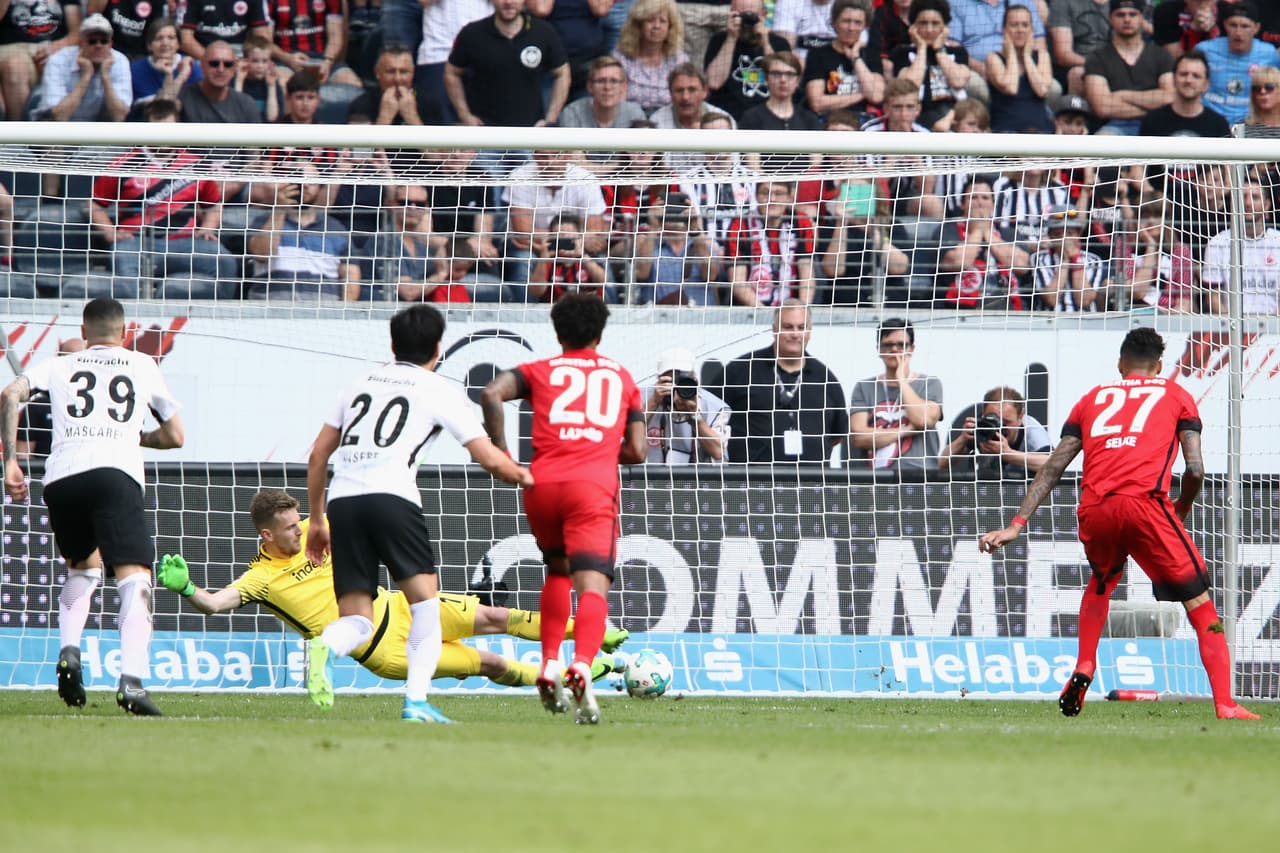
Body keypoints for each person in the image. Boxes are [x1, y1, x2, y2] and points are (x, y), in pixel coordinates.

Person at [979, 327, 1260, 721]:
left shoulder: (1091, 400)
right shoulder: (1177, 395)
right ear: (1159, 366)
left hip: (1095, 507)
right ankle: (1225, 704)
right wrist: (1181, 505)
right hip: (1146, 506)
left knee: (1101, 580)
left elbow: (1055, 466)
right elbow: (1195, 468)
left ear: (1120, 364)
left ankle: (1084, 665)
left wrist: (1016, 524)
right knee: (1200, 603)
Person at [156, 490, 628, 708]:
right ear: (267, 534)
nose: (300, 530)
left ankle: (593, 636)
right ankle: (568, 682)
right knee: (490, 665)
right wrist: (187, 590)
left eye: (300, 520)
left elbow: (364, 520)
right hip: (384, 650)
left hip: (399, 606)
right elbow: (216, 604)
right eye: (289, 528)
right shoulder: (261, 578)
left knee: (496, 615)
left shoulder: (322, 534)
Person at [305, 304, 533, 724]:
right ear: (439, 349)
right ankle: (416, 702)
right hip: (393, 497)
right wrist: (532, 477)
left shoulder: (358, 383)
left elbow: (318, 454)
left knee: (356, 617)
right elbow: (489, 460)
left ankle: (325, 645)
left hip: (343, 501)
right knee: (426, 607)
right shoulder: (438, 389)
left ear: (392, 344)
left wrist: (318, 520)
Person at [1, 297, 185, 716]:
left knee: (83, 567)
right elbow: (176, 436)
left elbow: (11, 393)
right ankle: (133, 683)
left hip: (61, 477)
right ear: (124, 333)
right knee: (134, 576)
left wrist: (10, 461)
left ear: (83, 334)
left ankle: (69, 650)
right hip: (114, 473)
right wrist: (137, 439)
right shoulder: (142, 364)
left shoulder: (60, 363)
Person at [480, 293, 648, 725]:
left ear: (558, 333)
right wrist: (600, 444)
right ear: (599, 333)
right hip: (591, 487)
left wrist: (501, 455)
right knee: (592, 586)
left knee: (557, 570)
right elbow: (638, 450)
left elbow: (491, 393)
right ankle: (582, 665)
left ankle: (550, 662)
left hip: (541, 484)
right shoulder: (623, 378)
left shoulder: (540, 371)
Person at [91, 98, 237, 300]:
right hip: (137, 242)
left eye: (169, 129)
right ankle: (134, 322)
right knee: (122, 255)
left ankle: (222, 318)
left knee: (224, 261)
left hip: (187, 243)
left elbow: (213, 204)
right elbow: (94, 204)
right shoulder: (123, 164)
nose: (163, 135)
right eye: (157, 129)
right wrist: (110, 234)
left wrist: (208, 228)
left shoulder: (197, 164)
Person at [719, 301, 848, 464]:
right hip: (751, 482)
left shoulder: (825, 378)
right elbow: (711, 417)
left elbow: (837, 434)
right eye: (788, 327)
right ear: (774, 329)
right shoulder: (740, 370)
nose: (795, 334)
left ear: (809, 331)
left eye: (801, 328)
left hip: (810, 484)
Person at [247, 163, 363, 302]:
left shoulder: (335, 228)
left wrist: (343, 314)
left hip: (324, 315)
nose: (305, 185)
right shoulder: (265, 220)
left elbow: (351, 275)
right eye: (299, 178)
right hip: (270, 311)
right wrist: (279, 209)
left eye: (311, 182)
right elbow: (261, 254)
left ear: (320, 188)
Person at [445, 0, 571, 127]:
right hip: (484, 134)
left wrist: (550, 119)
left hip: (530, 133)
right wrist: (464, 115)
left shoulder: (543, 32)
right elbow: (452, 72)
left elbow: (562, 72)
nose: (508, 2)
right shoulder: (472, 33)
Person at [848, 317, 943, 472]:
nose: (894, 350)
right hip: (875, 479)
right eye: (888, 345)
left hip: (920, 476)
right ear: (879, 349)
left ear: (912, 348)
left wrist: (900, 379)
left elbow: (923, 420)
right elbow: (859, 437)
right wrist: (907, 430)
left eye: (901, 345)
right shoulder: (864, 387)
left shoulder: (930, 383)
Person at [1083, 0, 1175, 136]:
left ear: (1141, 18)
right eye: (1120, 15)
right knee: (1102, 140)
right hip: (1115, 126)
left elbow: (1169, 97)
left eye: (1133, 14)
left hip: (1158, 124)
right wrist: (1151, 107)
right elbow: (1102, 107)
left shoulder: (1161, 55)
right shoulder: (1097, 57)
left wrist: (1122, 95)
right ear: (1110, 19)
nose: (1127, 19)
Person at [724, 181, 817, 306]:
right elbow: (738, 282)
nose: (771, 199)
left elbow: (807, 275)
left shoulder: (801, 222)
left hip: (792, 308)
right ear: (756, 196)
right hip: (752, 311)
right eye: (765, 193)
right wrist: (765, 314)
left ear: (790, 197)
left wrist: (800, 311)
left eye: (779, 193)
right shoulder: (739, 225)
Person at [1201, 175, 1280, 315]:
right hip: (1231, 329)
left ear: (1267, 205)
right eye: (1243, 197)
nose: (1248, 203)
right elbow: (1213, 299)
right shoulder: (1217, 243)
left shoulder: (1277, 241)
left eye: (1255, 197)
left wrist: (1271, 327)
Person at [703, 0, 791, 121]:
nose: (747, 21)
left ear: (764, 15)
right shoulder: (719, 41)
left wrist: (765, 42)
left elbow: (782, 81)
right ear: (731, 15)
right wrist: (731, 38)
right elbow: (713, 83)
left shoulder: (779, 44)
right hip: (728, 118)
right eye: (742, 15)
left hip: (769, 119)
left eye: (752, 15)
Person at [937, 386, 1051, 479]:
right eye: (994, 419)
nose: (1000, 426)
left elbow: (1054, 465)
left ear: (1020, 417)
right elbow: (942, 463)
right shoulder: (982, 425)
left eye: (1006, 421)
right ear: (983, 414)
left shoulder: (1032, 432)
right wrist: (962, 439)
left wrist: (1008, 454)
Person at [35, 13, 132, 122]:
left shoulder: (120, 61)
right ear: (81, 44)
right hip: (54, 129)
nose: (98, 46)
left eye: (104, 41)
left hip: (98, 131)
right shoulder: (58, 60)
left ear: (110, 44)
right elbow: (59, 117)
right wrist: (86, 76)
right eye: (92, 41)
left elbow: (119, 116)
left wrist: (105, 77)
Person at [643, 346, 731, 463]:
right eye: (670, 380)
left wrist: (695, 415)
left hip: (697, 479)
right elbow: (622, 438)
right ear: (659, 378)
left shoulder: (713, 406)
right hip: (649, 478)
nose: (675, 386)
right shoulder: (641, 397)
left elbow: (718, 452)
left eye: (681, 380)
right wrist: (653, 402)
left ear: (693, 378)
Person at [891, 0, 969, 131]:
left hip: (954, 114)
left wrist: (939, 51)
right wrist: (921, 49)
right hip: (920, 115)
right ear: (913, 26)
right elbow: (909, 87)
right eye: (923, 23)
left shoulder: (957, 52)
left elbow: (958, 81)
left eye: (935, 23)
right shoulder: (902, 53)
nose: (929, 29)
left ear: (944, 26)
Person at [802, 0, 886, 121]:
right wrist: (863, 95)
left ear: (865, 26)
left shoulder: (871, 54)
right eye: (846, 21)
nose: (851, 28)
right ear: (834, 23)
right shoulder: (818, 55)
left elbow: (877, 96)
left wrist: (856, 59)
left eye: (858, 23)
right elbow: (817, 103)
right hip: (829, 119)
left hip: (864, 120)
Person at [1198, 1, 1280, 126]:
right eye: (1233, 25)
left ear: (1256, 28)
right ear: (1225, 25)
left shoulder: (1269, 53)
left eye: (1245, 26)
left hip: (1252, 125)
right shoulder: (1204, 50)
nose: (1238, 32)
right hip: (1210, 123)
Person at [0, 0, 81, 122]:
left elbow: (77, 33)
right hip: (12, 48)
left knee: (62, 64)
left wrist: (56, 47)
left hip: (54, 47)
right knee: (15, 66)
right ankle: (19, 134)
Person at [632, 189, 716, 306]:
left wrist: (694, 227)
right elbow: (641, 273)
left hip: (699, 318)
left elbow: (711, 275)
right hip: (659, 318)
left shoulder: (700, 245)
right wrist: (653, 226)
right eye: (669, 207)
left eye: (681, 207)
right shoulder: (650, 246)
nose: (676, 212)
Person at [985, 3, 1053, 134]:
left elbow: (1042, 90)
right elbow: (1011, 87)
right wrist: (1011, 54)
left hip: (1039, 130)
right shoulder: (993, 58)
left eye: (1025, 25)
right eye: (1014, 25)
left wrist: (1027, 56)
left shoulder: (1042, 56)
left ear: (1032, 30)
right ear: (1004, 29)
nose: (1020, 30)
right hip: (1006, 130)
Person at [13, 338, 86, 458]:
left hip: (86, 471)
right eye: (70, 359)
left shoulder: (100, 404)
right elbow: (23, 457)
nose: (76, 365)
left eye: (81, 359)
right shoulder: (38, 406)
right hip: (47, 474)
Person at [611, 0, 689, 113]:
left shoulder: (679, 60)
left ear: (670, 27)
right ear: (639, 25)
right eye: (650, 20)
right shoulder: (621, 57)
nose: (656, 26)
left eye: (662, 21)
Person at [1030, 201, 1109, 311]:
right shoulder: (1039, 258)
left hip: (1084, 322)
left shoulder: (1094, 260)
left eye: (1070, 233)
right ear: (1050, 236)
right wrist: (1065, 261)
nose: (1064, 239)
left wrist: (1076, 259)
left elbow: (1084, 301)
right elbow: (1051, 300)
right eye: (1058, 235)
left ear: (1078, 234)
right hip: (1050, 322)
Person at [1139, 49, 1231, 137]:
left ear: (1206, 85)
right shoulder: (1153, 121)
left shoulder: (1218, 125)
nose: (1188, 80)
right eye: (1183, 74)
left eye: (1196, 76)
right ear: (1173, 79)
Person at [178, 39, 263, 123]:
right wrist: (181, 77)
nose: (221, 69)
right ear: (202, 66)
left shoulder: (246, 105)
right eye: (214, 63)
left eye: (227, 64)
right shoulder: (182, 98)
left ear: (234, 68)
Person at [129, 17, 201, 110]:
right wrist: (170, 75)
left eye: (171, 38)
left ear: (178, 44)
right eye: (159, 38)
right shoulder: (135, 71)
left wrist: (181, 75)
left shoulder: (192, 68)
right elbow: (161, 111)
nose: (165, 43)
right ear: (149, 45)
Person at [558, 55, 646, 127]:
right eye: (601, 81)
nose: (607, 87)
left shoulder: (634, 114)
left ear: (623, 86)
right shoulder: (573, 113)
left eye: (614, 81)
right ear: (590, 86)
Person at [1048, 0, 1112, 96]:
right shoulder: (1062, 2)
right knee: (1078, 73)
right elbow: (1063, 55)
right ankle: (1076, 110)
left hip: (1114, 62)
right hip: (1077, 66)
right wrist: (1098, 65)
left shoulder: (1123, 3)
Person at [178, 0, 270, 60]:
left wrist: (244, 61)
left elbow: (262, 39)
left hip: (240, 56)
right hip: (204, 54)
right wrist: (213, 61)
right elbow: (186, 41)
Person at [1154, 0, 1230, 60]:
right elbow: (1174, 58)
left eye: (1207, 1)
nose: (1203, 6)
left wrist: (1212, 30)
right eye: (1197, 1)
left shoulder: (1227, 11)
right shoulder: (1166, 11)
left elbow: (1227, 58)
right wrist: (1194, 31)